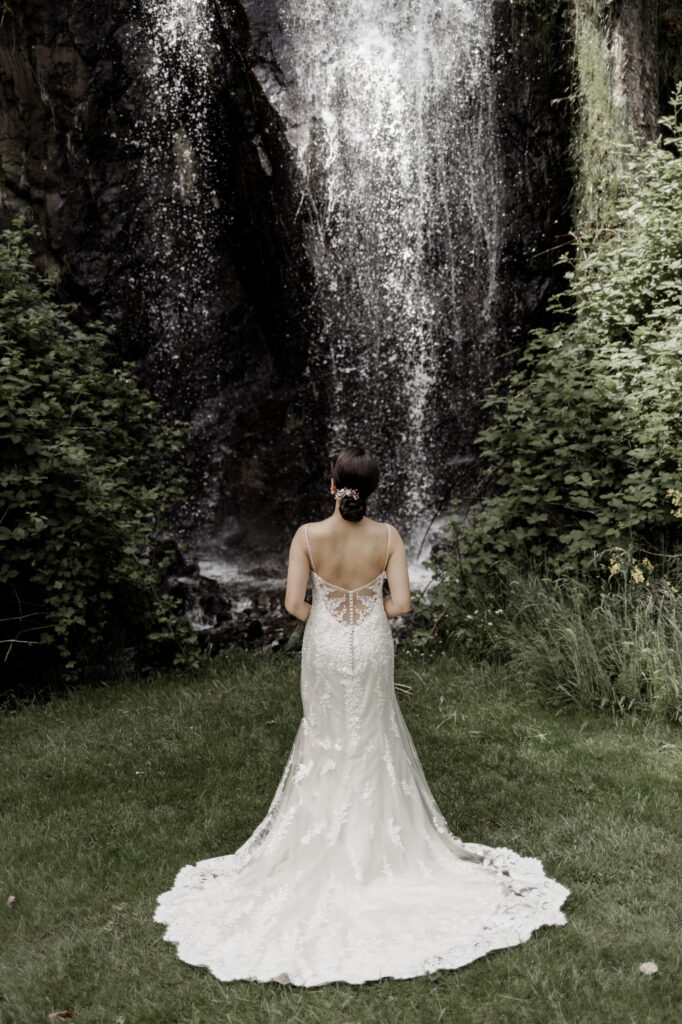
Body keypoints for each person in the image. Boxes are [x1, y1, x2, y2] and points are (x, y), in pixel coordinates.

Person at [153, 444, 569, 986]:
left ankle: (321, 838)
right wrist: (363, 609)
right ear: (371, 491)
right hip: (371, 644)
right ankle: (383, 850)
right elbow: (399, 606)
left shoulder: (306, 536)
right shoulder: (390, 537)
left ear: (332, 485)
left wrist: (330, 615)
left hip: (325, 644)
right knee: (373, 733)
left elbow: (293, 605)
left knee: (326, 736)